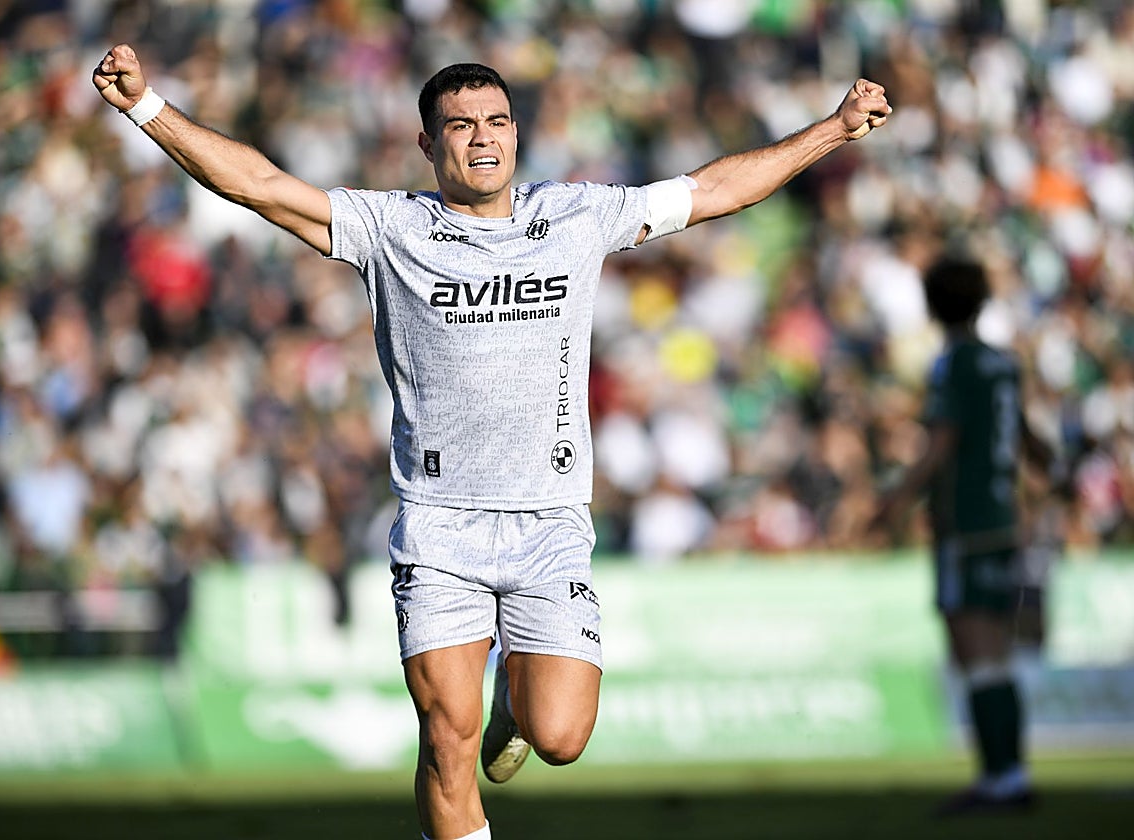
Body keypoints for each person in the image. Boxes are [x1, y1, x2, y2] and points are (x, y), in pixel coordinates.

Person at [93, 44, 890, 840]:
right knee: (447, 738)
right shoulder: (390, 228)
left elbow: (712, 190)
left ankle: (517, 694)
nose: (483, 138)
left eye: (499, 121)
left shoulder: (576, 217)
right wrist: (145, 105)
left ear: (517, 134)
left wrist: (834, 129)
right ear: (427, 144)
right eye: (462, 124)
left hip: (549, 523)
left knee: (562, 738)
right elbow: (258, 186)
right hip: (440, 525)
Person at [872, 255, 1053, 816]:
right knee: (995, 653)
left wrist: (895, 500)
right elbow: (1030, 440)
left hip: (966, 521)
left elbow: (942, 441)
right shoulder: (1005, 363)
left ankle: (1001, 781)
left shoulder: (952, 365)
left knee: (976, 655)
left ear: (931, 305)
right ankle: (1010, 774)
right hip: (1005, 518)